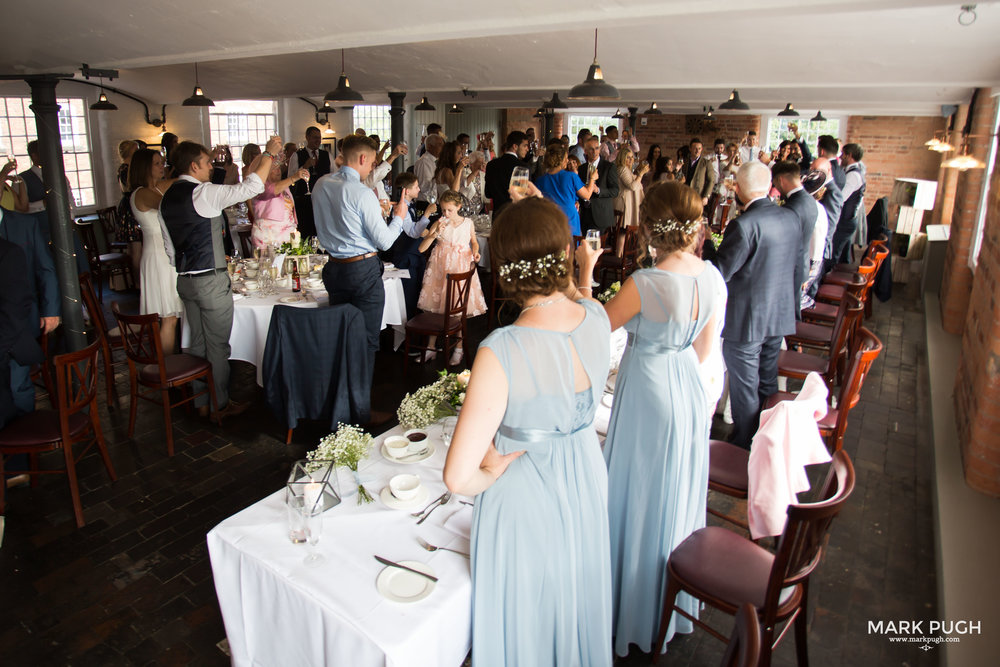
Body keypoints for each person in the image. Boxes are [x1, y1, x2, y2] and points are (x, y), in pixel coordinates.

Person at [443, 196, 612, 667]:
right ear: (564, 253)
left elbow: (457, 478)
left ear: (504, 266)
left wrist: (490, 472)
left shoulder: (502, 349)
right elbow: (578, 299)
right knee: (572, 593)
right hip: (585, 473)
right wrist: (584, 271)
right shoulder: (597, 316)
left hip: (527, 494)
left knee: (528, 615)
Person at [588, 180, 725, 656]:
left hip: (648, 393)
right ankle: (668, 603)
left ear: (651, 224)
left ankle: (628, 605)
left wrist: (585, 274)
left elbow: (594, 330)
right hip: (687, 388)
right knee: (672, 493)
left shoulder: (646, 283)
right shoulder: (710, 275)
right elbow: (705, 350)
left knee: (638, 492)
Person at [160, 137, 283, 418]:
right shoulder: (202, 193)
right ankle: (220, 404)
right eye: (205, 163)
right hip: (210, 280)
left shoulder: (166, 198)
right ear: (193, 165)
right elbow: (251, 186)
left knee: (198, 344)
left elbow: (170, 249)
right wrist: (268, 154)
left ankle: (201, 401)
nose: (209, 168)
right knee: (217, 346)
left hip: (185, 279)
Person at [715, 161, 800, 449]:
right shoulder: (789, 217)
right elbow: (796, 267)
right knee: (766, 382)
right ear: (769, 187)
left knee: (745, 388)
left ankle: (744, 444)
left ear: (738, 189)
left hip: (747, 319)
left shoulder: (743, 225)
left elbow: (721, 272)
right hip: (778, 314)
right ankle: (767, 439)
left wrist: (707, 246)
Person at [313, 134, 407, 374]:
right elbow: (384, 242)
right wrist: (399, 217)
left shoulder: (321, 184)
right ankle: (358, 406)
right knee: (365, 342)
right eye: (373, 162)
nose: (373, 167)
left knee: (341, 337)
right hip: (361, 272)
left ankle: (340, 403)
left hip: (333, 269)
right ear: (363, 158)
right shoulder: (362, 193)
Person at [0, 207, 59, 416]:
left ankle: (22, 444)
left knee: (18, 386)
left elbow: (45, 268)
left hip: (20, 322)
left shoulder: (25, 224)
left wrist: (51, 309)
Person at [416, 190, 487, 365]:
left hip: (460, 267)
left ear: (459, 207)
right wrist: (434, 233)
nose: (446, 214)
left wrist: (476, 252)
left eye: (449, 210)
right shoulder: (439, 223)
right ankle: (431, 348)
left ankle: (459, 348)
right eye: (443, 210)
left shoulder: (468, 223)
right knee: (435, 307)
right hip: (440, 269)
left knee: (457, 308)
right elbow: (421, 249)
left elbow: (474, 242)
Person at [128, 148, 183, 354]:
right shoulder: (142, 193)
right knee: (168, 317)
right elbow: (169, 207)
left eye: (162, 162)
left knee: (174, 317)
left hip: (166, 255)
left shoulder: (157, 187)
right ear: (145, 168)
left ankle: (175, 364)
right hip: (158, 258)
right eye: (157, 164)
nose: (163, 167)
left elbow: (179, 181)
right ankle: (167, 371)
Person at [771, 160, 816, 317]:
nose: (775, 188)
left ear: (781, 180)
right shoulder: (810, 201)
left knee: (786, 316)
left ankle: (791, 341)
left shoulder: (792, 208)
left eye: (775, 183)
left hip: (789, 270)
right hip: (801, 265)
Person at [388, 172, 435, 317]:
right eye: (416, 186)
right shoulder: (401, 208)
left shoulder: (410, 206)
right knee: (408, 296)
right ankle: (407, 332)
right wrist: (426, 215)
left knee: (416, 293)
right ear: (406, 191)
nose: (419, 189)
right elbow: (413, 232)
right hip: (405, 258)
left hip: (414, 255)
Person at [535, 144, 597, 236]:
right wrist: (592, 178)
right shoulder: (571, 176)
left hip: (549, 220)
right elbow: (587, 195)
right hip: (569, 220)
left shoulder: (540, 180)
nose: (567, 161)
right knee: (570, 248)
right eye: (566, 158)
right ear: (561, 160)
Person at [251, 156, 309, 249]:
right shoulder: (259, 187)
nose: (278, 171)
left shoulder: (284, 186)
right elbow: (272, 190)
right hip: (268, 237)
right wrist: (294, 177)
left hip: (287, 236)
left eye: (278, 168)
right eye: (274, 169)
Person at [288, 127, 333, 239]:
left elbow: (335, 173)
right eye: (315, 138)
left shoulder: (326, 155)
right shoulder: (297, 155)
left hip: (323, 200)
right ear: (307, 137)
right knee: (306, 232)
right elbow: (290, 178)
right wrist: (304, 166)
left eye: (319, 138)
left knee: (322, 230)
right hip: (304, 201)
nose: (318, 140)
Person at [798, 170, 830, 310]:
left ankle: (808, 305)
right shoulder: (817, 208)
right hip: (812, 259)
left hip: (811, 262)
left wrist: (806, 274)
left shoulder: (812, 209)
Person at [831, 143, 867, 265]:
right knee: (842, 257)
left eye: (843, 154)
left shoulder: (853, 175)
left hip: (845, 221)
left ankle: (828, 281)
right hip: (847, 220)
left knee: (833, 255)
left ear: (849, 155)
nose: (840, 157)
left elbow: (841, 198)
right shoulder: (851, 172)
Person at [578, 136, 620, 232]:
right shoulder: (582, 169)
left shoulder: (608, 167)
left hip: (601, 215)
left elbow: (615, 191)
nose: (594, 151)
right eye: (591, 149)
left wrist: (598, 190)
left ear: (600, 149)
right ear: (585, 151)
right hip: (585, 215)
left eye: (597, 148)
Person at [484, 130, 530, 216]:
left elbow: (488, 193)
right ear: (515, 146)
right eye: (525, 146)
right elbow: (524, 197)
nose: (527, 149)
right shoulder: (522, 167)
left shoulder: (491, 165)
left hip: (497, 217)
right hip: (515, 216)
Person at [614, 149, 648, 228]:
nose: (631, 159)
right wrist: (641, 174)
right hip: (623, 202)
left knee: (626, 231)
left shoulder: (627, 169)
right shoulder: (622, 169)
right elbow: (632, 186)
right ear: (622, 158)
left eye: (632, 157)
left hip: (628, 201)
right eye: (628, 157)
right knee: (623, 230)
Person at [681, 138, 717, 210]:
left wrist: (706, 196)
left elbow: (711, 180)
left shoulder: (706, 163)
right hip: (685, 195)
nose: (697, 151)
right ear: (690, 149)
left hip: (698, 195)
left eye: (699, 148)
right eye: (695, 148)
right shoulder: (684, 161)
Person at [414, 133, 444, 203]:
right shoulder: (424, 162)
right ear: (430, 146)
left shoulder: (436, 161)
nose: (443, 148)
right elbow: (424, 187)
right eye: (440, 145)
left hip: (434, 201)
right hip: (425, 202)